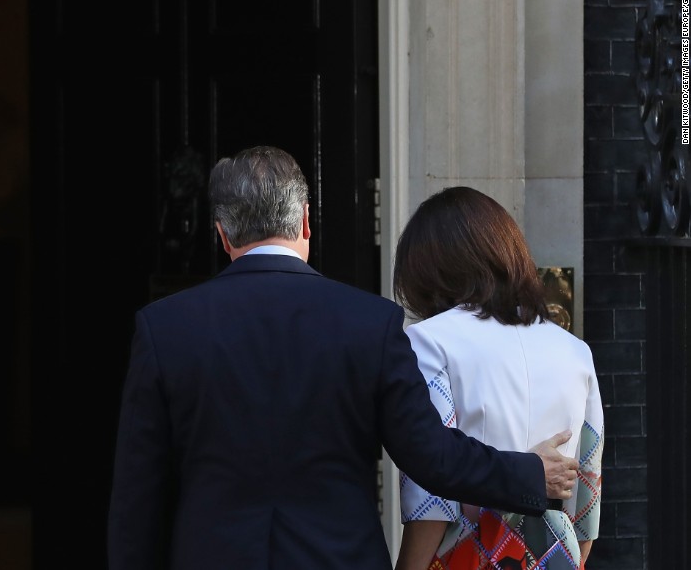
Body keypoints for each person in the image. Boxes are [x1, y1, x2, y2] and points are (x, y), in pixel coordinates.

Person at [106, 146, 580, 570]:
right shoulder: (369, 322)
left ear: (222, 235)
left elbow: (137, 498)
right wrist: (529, 471)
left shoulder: (164, 328)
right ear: (307, 221)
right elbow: (432, 455)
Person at [391, 186, 603, 570]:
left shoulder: (426, 342)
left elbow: (431, 498)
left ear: (428, 269)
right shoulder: (575, 351)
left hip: (469, 552)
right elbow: (587, 493)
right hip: (555, 553)